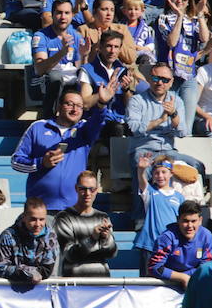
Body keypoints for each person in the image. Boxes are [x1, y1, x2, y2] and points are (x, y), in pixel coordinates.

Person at [12, 85, 115, 213]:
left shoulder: (84, 130)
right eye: (70, 104)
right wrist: (41, 163)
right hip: (42, 211)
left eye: (79, 106)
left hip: (75, 209)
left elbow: (97, 121)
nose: (74, 109)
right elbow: (16, 162)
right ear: (59, 106)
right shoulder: (38, 127)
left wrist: (101, 103)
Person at [126, 62, 204, 211]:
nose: (160, 83)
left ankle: (189, 214)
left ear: (171, 82)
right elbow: (133, 129)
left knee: (197, 166)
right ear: (149, 79)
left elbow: (183, 132)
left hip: (168, 151)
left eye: (165, 80)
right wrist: (160, 120)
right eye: (156, 78)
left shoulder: (176, 101)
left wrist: (174, 115)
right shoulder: (137, 100)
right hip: (144, 148)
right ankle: (141, 218)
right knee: (142, 166)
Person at [157, 0, 212, 128]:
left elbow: (205, 38)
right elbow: (172, 42)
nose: (179, 1)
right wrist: (180, 17)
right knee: (169, 123)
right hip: (169, 77)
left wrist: (200, 14)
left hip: (189, 76)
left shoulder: (194, 20)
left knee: (186, 126)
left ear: (189, 1)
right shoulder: (164, 18)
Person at [31, 0, 88, 118]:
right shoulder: (41, 36)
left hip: (69, 78)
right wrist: (62, 52)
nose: (63, 17)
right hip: (46, 80)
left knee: (87, 77)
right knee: (55, 77)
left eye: (67, 13)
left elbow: (80, 67)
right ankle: (49, 118)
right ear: (52, 14)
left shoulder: (76, 36)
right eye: (59, 13)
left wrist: (85, 55)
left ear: (72, 15)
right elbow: (40, 69)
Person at [77, 29, 142, 135]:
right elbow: (85, 104)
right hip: (97, 121)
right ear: (100, 47)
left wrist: (126, 91)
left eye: (116, 47)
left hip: (120, 121)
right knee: (117, 129)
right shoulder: (88, 70)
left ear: (120, 49)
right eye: (108, 46)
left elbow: (130, 106)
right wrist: (103, 94)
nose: (112, 51)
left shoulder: (123, 70)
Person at [53, 170, 117, 277]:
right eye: (83, 189)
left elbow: (112, 253)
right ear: (76, 189)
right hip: (74, 284)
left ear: (96, 190)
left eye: (92, 189)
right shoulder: (64, 217)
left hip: (102, 283)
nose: (87, 193)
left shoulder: (103, 217)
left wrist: (106, 238)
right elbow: (69, 255)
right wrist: (93, 238)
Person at [133, 152, 186, 265]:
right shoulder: (151, 192)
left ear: (171, 173)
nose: (160, 176)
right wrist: (141, 170)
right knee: (147, 281)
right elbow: (142, 181)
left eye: (164, 172)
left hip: (171, 246)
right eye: (156, 173)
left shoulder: (179, 197)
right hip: (150, 245)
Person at [0, 197, 59, 283]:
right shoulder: (8, 236)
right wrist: (26, 272)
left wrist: (34, 273)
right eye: (33, 219)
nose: (38, 224)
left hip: (42, 288)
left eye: (41, 219)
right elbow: (0, 267)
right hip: (11, 288)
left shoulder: (50, 237)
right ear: (24, 217)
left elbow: (47, 269)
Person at [149, 199, 212, 285]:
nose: (190, 226)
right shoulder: (167, 237)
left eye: (193, 221)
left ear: (200, 220)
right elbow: (155, 267)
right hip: (167, 285)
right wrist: (183, 278)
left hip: (193, 282)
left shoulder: (206, 236)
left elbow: (206, 266)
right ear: (178, 219)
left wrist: (187, 278)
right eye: (185, 221)